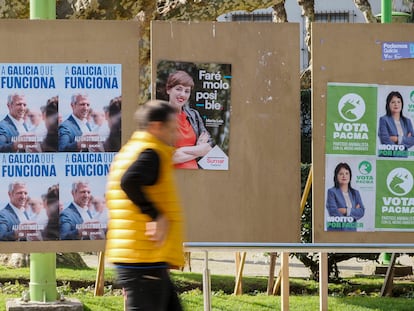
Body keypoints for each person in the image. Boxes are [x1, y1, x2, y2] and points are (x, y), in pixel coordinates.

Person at [105, 100, 185, 311]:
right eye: (172, 128)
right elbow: (130, 182)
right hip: (142, 258)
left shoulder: (134, 149)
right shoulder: (151, 153)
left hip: (144, 256)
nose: (176, 135)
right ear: (156, 126)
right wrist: (156, 215)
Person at [165, 70, 213, 169]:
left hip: (196, 177)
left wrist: (180, 151)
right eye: (179, 89)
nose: (183, 94)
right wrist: (199, 150)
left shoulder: (194, 115)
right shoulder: (160, 115)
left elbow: (208, 147)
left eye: (187, 91)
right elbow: (168, 157)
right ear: (168, 89)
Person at [326, 163, 365, 232]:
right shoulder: (331, 192)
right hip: (336, 231)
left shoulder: (355, 193)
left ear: (350, 176)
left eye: (347, 173)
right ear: (336, 176)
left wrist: (346, 211)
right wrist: (353, 211)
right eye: (341, 174)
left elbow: (361, 211)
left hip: (352, 231)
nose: (344, 176)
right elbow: (333, 211)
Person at [378, 91, 414, 156]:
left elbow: (412, 140)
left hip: (403, 158)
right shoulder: (383, 120)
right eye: (393, 102)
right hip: (387, 157)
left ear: (402, 104)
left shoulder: (407, 121)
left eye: (398, 102)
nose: (396, 104)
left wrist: (397, 139)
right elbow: (385, 140)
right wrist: (405, 140)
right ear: (388, 105)